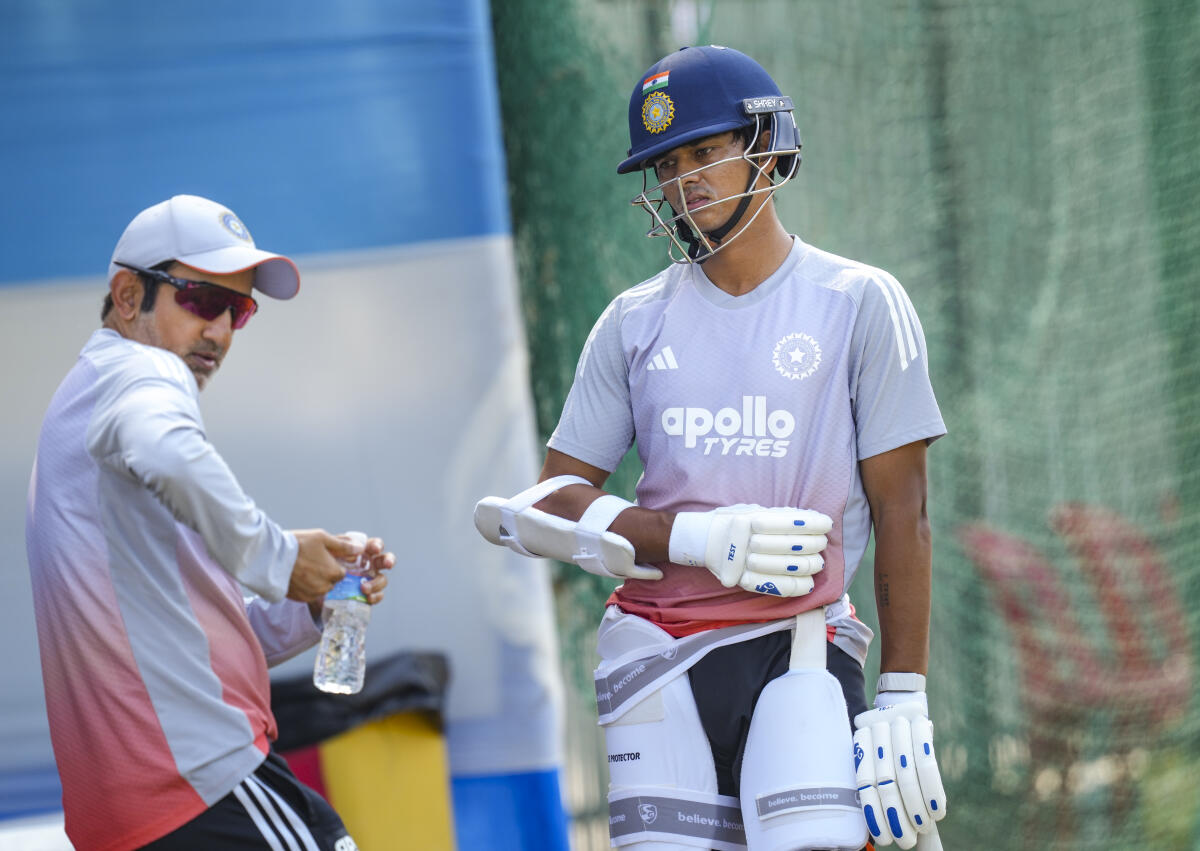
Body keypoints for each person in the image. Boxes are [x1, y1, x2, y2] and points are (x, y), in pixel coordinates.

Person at [476, 46, 947, 850]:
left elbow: (904, 509)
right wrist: (693, 538)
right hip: (654, 647)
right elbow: (551, 499)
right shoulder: (631, 320)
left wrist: (903, 692)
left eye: (704, 151)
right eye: (666, 163)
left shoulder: (860, 301)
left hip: (801, 638)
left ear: (766, 144)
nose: (684, 179)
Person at [25, 194, 394, 851]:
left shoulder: (91, 396)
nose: (221, 332)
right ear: (128, 295)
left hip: (139, 809)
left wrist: (312, 599)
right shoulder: (141, 376)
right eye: (200, 299)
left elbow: (194, 637)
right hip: (196, 782)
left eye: (238, 309)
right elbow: (163, 443)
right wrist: (281, 560)